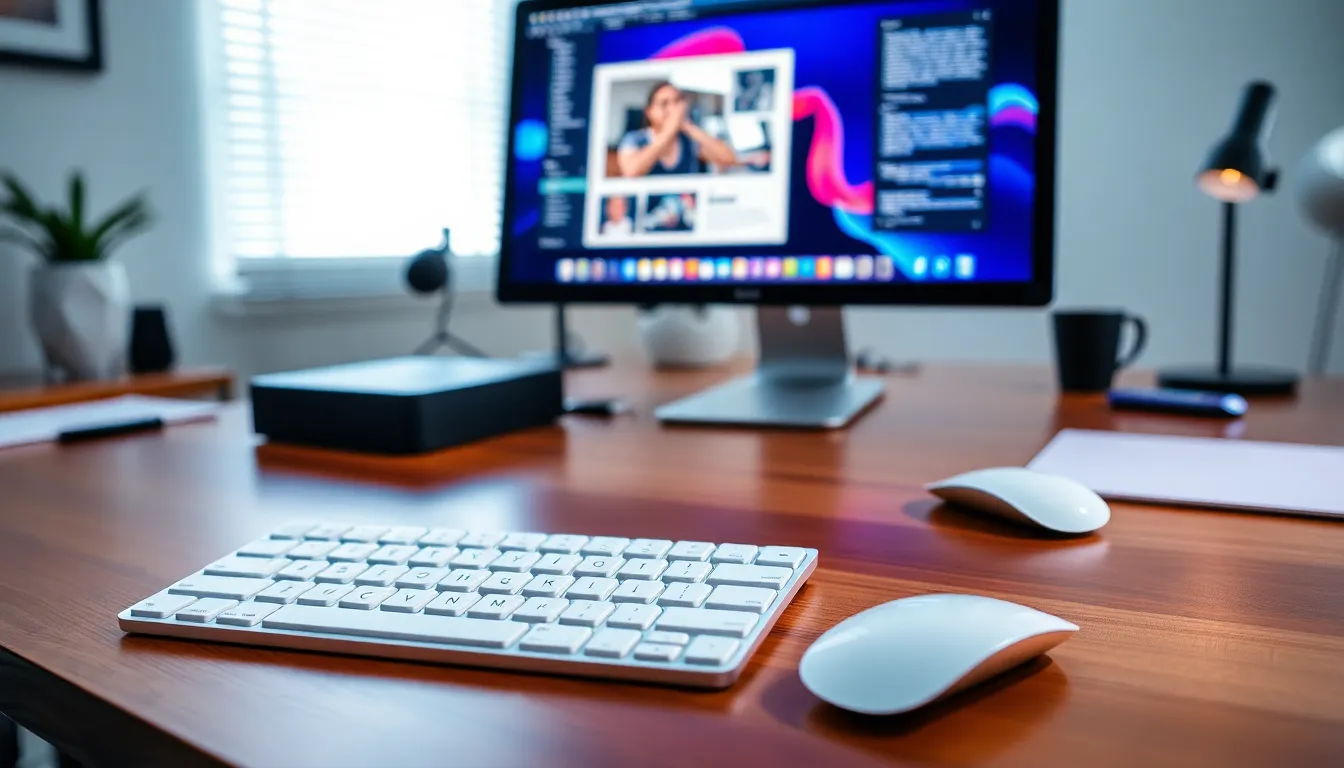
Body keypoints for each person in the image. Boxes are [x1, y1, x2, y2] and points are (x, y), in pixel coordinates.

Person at [617, 81, 738, 177]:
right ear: (649, 112)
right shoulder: (634, 139)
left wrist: (690, 128)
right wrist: (669, 131)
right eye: (664, 104)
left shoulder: (689, 142)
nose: (673, 109)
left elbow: (729, 159)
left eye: (677, 102)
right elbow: (631, 171)